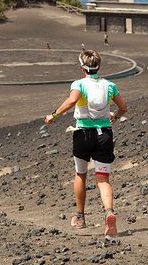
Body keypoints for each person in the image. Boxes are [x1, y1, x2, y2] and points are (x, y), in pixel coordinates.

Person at [44, 49, 127, 237]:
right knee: (103, 179)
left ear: (83, 68)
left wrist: (54, 114)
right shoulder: (110, 86)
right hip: (104, 135)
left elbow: (72, 100)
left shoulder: (79, 84)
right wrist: (115, 115)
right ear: (99, 66)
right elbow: (123, 107)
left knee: (80, 174)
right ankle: (109, 212)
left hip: (83, 135)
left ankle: (80, 217)